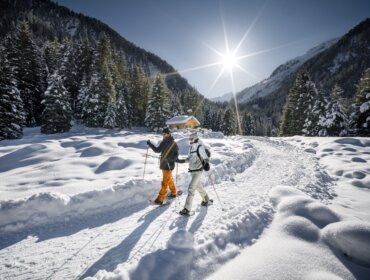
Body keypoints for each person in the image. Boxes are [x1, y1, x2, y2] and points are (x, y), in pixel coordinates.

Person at [176, 132, 212, 215]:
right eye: (189, 139)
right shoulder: (191, 148)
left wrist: (206, 164)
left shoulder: (199, 147)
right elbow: (189, 159)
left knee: (191, 188)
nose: (190, 140)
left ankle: (187, 209)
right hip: (192, 171)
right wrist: (181, 160)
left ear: (195, 138)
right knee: (198, 187)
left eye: (191, 139)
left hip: (198, 171)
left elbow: (205, 157)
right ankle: (206, 200)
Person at [147, 127, 179, 205]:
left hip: (169, 166)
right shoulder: (163, 142)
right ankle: (174, 193)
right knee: (168, 180)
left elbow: (176, 154)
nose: (163, 135)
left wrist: (170, 159)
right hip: (163, 164)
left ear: (169, 134)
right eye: (163, 134)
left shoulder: (173, 144)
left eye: (164, 134)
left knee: (164, 183)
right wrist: (150, 144)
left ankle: (160, 199)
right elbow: (157, 150)